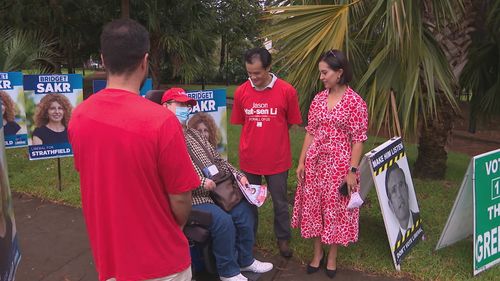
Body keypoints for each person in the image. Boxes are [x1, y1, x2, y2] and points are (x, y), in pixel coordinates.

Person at [68, 19, 200, 281]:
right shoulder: (162, 122)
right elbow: (181, 199)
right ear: (145, 60)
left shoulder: (79, 116)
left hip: (111, 260)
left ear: (103, 60)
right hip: (163, 264)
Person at [161, 88, 273, 281]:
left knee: (245, 210)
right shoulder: (163, 137)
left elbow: (218, 160)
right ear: (166, 107)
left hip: (218, 190)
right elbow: (173, 172)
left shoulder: (195, 134)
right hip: (192, 198)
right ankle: (227, 271)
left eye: (188, 105)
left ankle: (245, 260)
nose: (186, 109)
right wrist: (202, 182)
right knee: (223, 221)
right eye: (180, 104)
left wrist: (238, 175)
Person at [292, 49, 368, 278]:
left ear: (339, 72)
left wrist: (352, 171)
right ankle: (317, 254)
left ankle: (332, 256)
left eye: (325, 72)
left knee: (336, 211)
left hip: (340, 166)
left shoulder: (356, 102)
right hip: (316, 164)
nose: (322, 77)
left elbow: (358, 140)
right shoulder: (318, 99)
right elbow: (310, 132)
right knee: (314, 207)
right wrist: (301, 161)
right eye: (321, 73)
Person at [230, 48, 302, 258]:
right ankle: (248, 238)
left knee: (280, 202)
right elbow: (243, 122)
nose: (253, 78)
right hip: (249, 158)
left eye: (258, 73)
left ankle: (283, 239)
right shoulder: (241, 92)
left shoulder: (287, 91)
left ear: (269, 68)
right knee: (249, 202)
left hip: (277, 159)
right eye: (249, 73)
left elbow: (290, 122)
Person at [385, 162, 420, 246]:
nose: (399, 195)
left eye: (401, 185)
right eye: (393, 190)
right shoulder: (397, 245)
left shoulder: (418, 223)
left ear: (407, 190)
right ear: (391, 206)